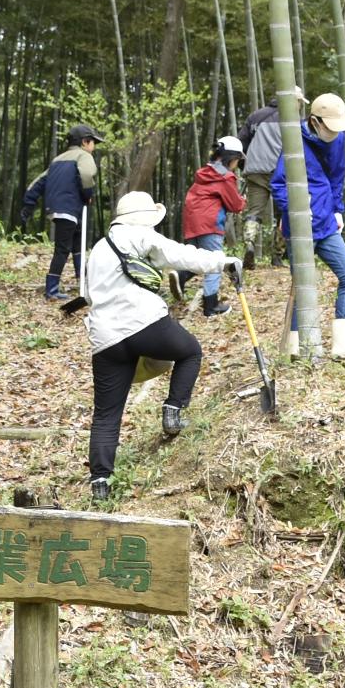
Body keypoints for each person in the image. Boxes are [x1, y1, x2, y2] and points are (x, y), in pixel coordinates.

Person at [82, 190, 237, 502]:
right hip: (143, 323)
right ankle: (173, 411)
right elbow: (183, 256)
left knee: (106, 415)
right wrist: (223, 262)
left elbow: (87, 295)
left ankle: (100, 483)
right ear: (143, 218)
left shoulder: (98, 249)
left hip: (105, 338)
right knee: (191, 351)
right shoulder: (140, 235)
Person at [271, 92, 345, 360]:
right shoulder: (294, 142)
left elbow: (338, 177)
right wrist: (294, 206)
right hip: (300, 226)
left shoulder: (338, 138)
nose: (334, 132)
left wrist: (338, 210)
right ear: (315, 122)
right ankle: (294, 347)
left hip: (327, 222)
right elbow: (278, 185)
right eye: (329, 126)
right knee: (302, 284)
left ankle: (343, 344)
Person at [25, 123, 100, 300]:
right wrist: (88, 193)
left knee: (77, 242)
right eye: (93, 142)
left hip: (59, 208)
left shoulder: (57, 159)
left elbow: (38, 182)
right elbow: (88, 175)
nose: (94, 146)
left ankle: (81, 278)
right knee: (62, 249)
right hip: (69, 208)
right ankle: (51, 290)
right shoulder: (84, 156)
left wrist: (29, 203)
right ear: (85, 142)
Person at [180, 135, 247, 317]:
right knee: (214, 263)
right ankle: (211, 307)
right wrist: (243, 202)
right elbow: (235, 205)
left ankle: (180, 275)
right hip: (210, 224)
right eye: (237, 160)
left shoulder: (203, 173)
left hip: (192, 221)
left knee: (198, 257)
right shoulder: (225, 177)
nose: (236, 164)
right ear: (231, 158)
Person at [236, 98, 282, 263]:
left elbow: (239, 144)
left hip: (255, 170)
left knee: (254, 213)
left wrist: (244, 165)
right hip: (280, 172)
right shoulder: (289, 117)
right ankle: (277, 255)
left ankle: (249, 243)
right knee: (283, 213)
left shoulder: (255, 116)